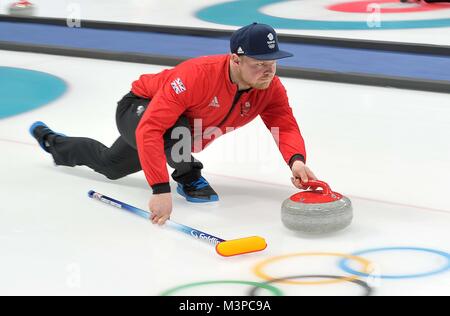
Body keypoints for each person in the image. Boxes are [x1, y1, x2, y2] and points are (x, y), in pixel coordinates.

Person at [30, 22, 317, 225]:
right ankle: (188, 176)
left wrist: (295, 160)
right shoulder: (196, 75)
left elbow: (284, 123)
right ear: (236, 59)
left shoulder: (270, 87)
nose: (269, 71)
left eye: (273, 62)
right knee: (175, 130)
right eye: (260, 63)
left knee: (111, 166)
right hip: (138, 108)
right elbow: (151, 129)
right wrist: (159, 189)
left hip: (178, 130)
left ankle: (53, 142)